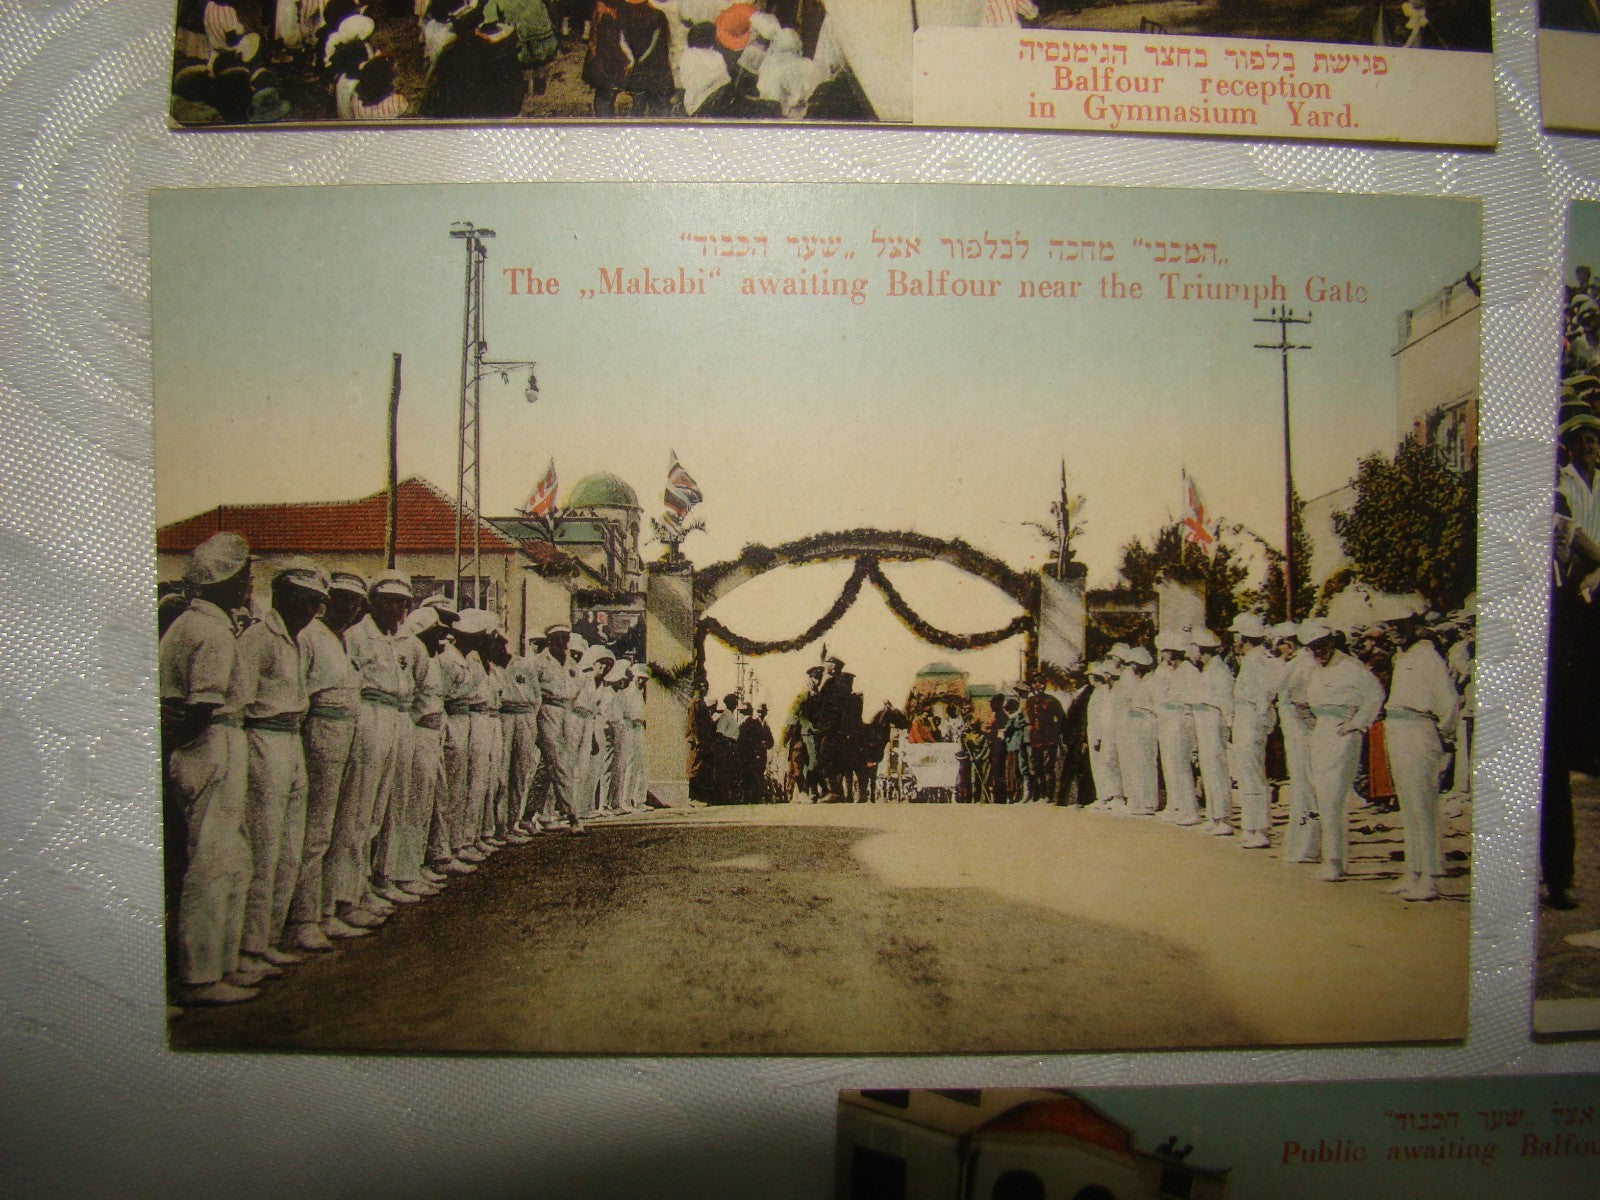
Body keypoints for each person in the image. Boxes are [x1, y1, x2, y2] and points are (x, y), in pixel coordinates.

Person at [160, 532, 256, 1005]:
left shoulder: (198, 623)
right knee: (212, 861)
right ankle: (200, 975)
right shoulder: (211, 630)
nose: (249, 583)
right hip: (211, 741)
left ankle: (222, 962)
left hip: (214, 739)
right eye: (244, 575)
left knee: (231, 857)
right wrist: (182, 744)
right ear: (227, 581)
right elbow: (200, 707)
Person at [234, 559, 327, 981]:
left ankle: (269, 939)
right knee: (263, 845)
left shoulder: (298, 640)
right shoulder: (258, 638)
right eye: (303, 600)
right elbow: (238, 701)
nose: (309, 609)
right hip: (262, 739)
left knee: (290, 846)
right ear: (282, 596)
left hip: (291, 739)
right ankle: (248, 945)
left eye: (315, 603)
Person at [326, 571, 413, 932]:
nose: (397, 609)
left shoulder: (393, 639)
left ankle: (361, 889)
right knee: (356, 812)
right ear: (372, 603)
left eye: (402, 603)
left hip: (391, 716)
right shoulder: (357, 636)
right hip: (368, 717)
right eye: (390, 601)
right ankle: (342, 898)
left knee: (376, 811)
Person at [288, 570, 367, 950]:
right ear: (326, 601)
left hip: (348, 731)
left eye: (355, 602)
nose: (348, 609)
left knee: (344, 822)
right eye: (341, 600)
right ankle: (305, 918)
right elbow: (299, 691)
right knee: (316, 828)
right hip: (320, 731)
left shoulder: (343, 640)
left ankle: (332, 907)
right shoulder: (311, 638)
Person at [1300, 620, 1385, 882]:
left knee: (1331, 797)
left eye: (1321, 645)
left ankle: (1334, 860)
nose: (1317, 652)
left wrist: (1356, 724)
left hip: (1342, 733)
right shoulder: (1315, 670)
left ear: (1331, 642)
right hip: (1321, 732)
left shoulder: (1351, 668)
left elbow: (1375, 696)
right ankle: (1333, 857)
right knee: (1321, 794)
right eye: (1312, 648)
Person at [1383, 615, 1460, 901]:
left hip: (1419, 730)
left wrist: (1444, 736)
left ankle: (1429, 877)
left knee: (1423, 804)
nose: (1393, 631)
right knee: (1408, 804)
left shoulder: (1428, 656)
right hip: (1398, 729)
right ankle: (1413, 871)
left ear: (1414, 627)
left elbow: (1449, 703)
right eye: (1390, 626)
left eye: (1399, 625)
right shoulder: (1402, 657)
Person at [1227, 613, 1280, 849]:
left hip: (1251, 719)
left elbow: (1264, 695)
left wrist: (1260, 723)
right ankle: (1251, 826)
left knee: (1253, 774)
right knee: (1245, 774)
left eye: (1237, 635)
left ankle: (1260, 829)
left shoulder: (1259, 661)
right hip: (1244, 717)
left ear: (1244, 636)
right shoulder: (1250, 659)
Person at [1272, 621, 1318, 862]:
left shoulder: (1305, 664)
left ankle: (1310, 845)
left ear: (1288, 644)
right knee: (1300, 783)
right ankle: (1300, 842)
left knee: (1306, 784)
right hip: (1292, 730)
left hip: (1303, 730)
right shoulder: (1293, 664)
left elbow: (1306, 698)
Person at [1151, 632, 1202, 825]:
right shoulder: (1170, 671)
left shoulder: (1189, 671)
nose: (1163, 656)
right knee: (1170, 765)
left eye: (1165, 652)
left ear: (1173, 652)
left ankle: (1190, 810)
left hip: (1181, 722)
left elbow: (1191, 701)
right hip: (1168, 723)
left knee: (1181, 767)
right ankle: (1175, 805)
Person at [1191, 629, 1234, 835]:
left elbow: (1226, 703)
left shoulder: (1220, 671)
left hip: (1213, 722)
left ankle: (1223, 818)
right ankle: (1212, 815)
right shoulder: (1207, 670)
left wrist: (1228, 725)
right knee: (1207, 769)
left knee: (1217, 769)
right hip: (1203, 721)